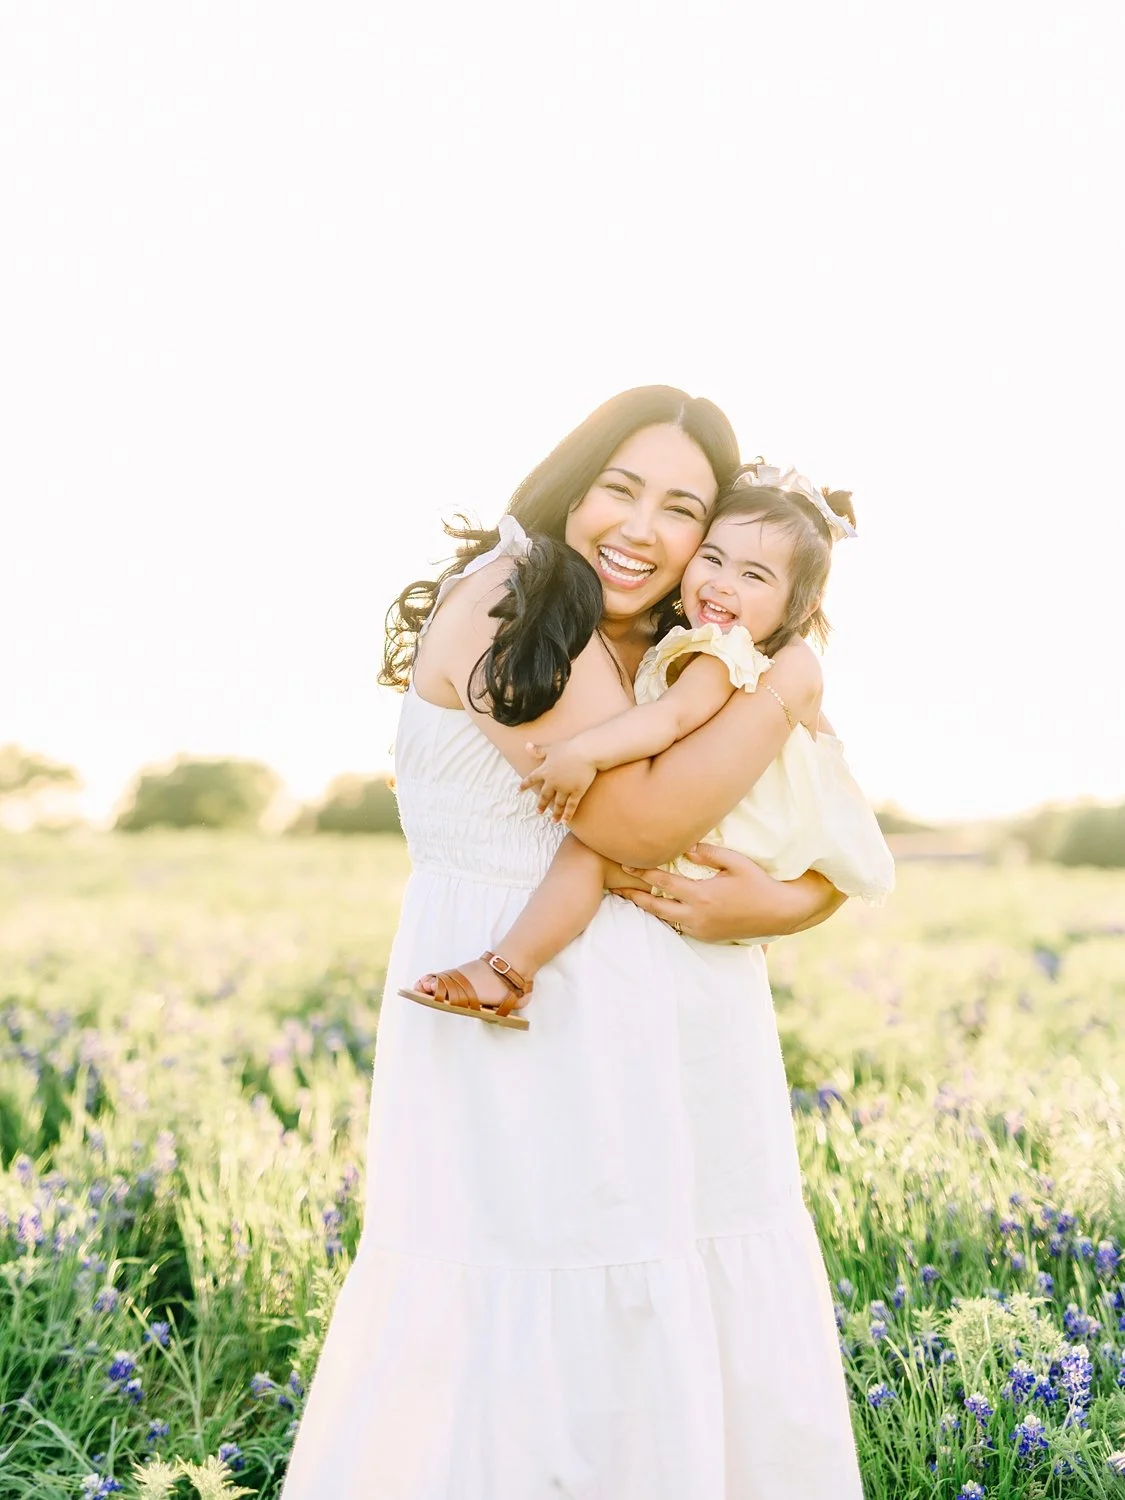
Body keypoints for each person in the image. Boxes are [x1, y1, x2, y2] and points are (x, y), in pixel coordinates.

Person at [280, 386, 865, 1500]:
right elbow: (637, 823)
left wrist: (787, 907)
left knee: (665, 1305)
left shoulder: (676, 638)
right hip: (534, 1026)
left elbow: (812, 830)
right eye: (620, 489)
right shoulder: (517, 595)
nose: (645, 529)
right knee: (529, 1303)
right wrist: (790, 680)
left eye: (683, 507)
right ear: (568, 485)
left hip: (676, 1034)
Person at [400, 463, 894, 1029]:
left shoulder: (726, 656)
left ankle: (509, 969)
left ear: (799, 610)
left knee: (587, 854)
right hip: (733, 845)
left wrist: (587, 752)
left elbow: (667, 720)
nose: (722, 582)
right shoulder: (728, 653)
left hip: (719, 843)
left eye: (755, 576)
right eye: (712, 558)